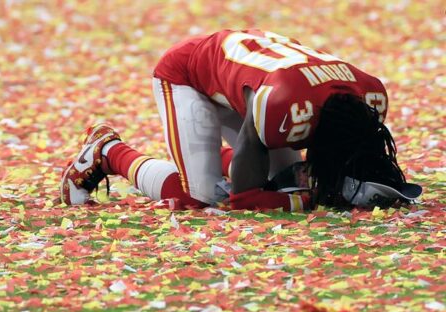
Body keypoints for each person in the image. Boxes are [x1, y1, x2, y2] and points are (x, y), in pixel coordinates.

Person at [60, 29, 419, 211]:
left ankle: (201, 160)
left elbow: (356, 142)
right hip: (190, 74)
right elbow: (246, 197)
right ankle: (108, 151)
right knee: (200, 195)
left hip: (253, 81)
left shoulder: (370, 94)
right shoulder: (284, 104)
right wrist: (307, 198)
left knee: (278, 180)